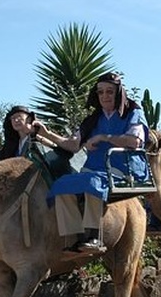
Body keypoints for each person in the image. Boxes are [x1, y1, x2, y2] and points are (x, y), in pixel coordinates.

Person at [37, 72, 148, 254]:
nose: (105, 96)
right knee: (61, 185)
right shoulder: (93, 119)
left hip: (122, 167)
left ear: (118, 93)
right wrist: (47, 133)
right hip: (95, 168)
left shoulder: (133, 112)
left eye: (109, 92)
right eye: (101, 92)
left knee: (92, 182)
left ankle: (94, 236)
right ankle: (73, 238)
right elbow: (72, 145)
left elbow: (134, 141)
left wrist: (104, 137)